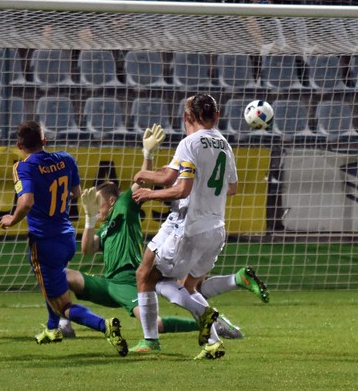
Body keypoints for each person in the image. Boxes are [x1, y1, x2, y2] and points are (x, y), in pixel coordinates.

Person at [64, 125, 266, 341]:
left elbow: (141, 184)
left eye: (97, 201)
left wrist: (147, 155)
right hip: (109, 283)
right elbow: (87, 249)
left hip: (128, 281)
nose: (94, 205)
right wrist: (90, 218)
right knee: (62, 275)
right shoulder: (105, 228)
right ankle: (62, 323)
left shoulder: (124, 206)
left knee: (158, 319)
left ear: (112, 200)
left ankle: (214, 324)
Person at [0, 120, 129, 356]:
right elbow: (76, 193)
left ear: (19, 145)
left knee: (64, 305)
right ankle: (52, 329)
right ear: (45, 141)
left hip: (44, 241)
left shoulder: (22, 167)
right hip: (66, 236)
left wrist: (12, 219)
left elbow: (26, 202)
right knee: (51, 280)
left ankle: (105, 325)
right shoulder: (66, 159)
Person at [131, 94, 238, 360]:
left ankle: (159, 336)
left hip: (188, 227)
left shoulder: (190, 143)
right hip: (216, 229)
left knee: (151, 276)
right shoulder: (225, 145)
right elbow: (232, 187)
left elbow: (179, 186)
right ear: (217, 115)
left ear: (186, 117)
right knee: (181, 284)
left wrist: (148, 190)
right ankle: (212, 341)